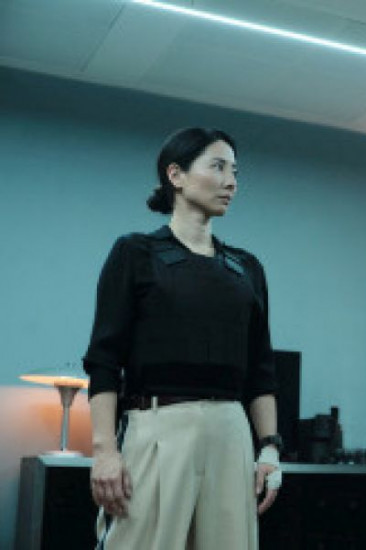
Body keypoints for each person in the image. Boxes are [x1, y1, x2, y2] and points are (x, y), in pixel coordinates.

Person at [84, 127, 283, 549]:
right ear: (175, 175)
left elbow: (262, 370)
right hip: (157, 429)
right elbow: (104, 360)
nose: (231, 182)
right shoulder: (135, 253)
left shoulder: (247, 269)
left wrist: (269, 449)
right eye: (218, 167)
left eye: (235, 171)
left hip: (231, 433)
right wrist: (104, 451)